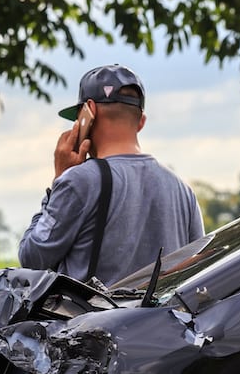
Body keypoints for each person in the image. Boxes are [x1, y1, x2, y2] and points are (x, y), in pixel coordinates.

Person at [18, 64, 204, 286]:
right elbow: (197, 269)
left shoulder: (78, 181)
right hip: (161, 321)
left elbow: (32, 258)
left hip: (94, 321)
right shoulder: (183, 191)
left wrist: (58, 181)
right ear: (141, 121)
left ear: (89, 112)